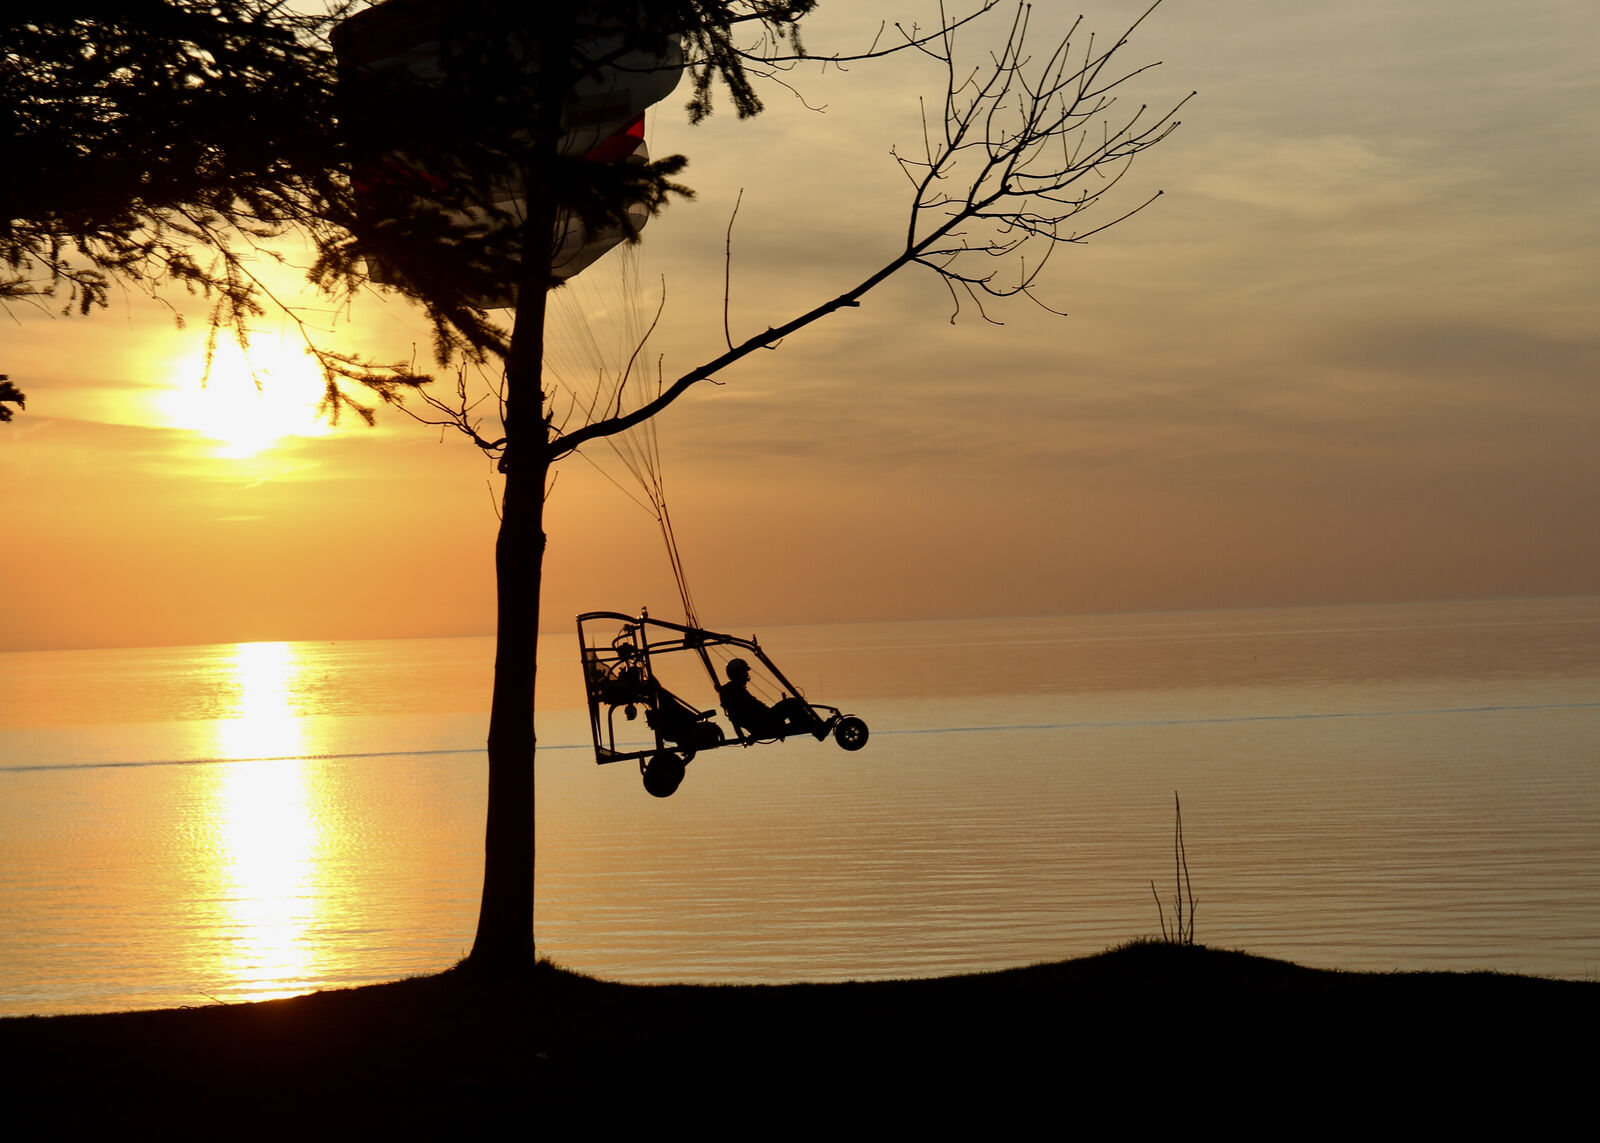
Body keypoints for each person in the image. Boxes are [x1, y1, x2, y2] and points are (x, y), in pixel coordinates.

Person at [717, 658, 811, 739]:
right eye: (744, 673)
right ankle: (811, 727)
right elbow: (734, 717)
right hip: (765, 724)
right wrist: (743, 737)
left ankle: (807, 725)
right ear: (737, 674)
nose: (746, 675)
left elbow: (734, 717)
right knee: (791, 703)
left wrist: (742, 736)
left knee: (792, 704)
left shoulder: (733, 689)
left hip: (764, 721)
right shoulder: (734, 691)